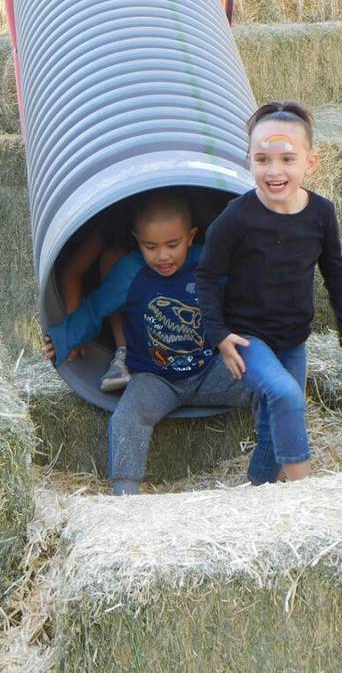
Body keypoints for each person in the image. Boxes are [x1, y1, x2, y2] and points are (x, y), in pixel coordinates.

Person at [43, 191, 255, 495]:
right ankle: (126, 499)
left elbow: (248, 282)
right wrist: (61, 339)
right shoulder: (130, 272)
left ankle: (268, 477)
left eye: (173, 244)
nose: (163, 256)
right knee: (127, 419)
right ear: (136, 240)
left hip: (209, 370)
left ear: (191, 236)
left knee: (264, 386)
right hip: (155, 380)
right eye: (150, 246)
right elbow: (95, 309)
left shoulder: (207, 262)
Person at [196, 101, 342, 486]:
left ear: (310, 162)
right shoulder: (236, 217)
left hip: (292, 339)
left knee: (274, 423)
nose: (274, 171)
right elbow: (205, 276)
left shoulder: (321, 213)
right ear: (248, 161)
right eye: (262, 159)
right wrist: (219, 336)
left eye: (287, 158)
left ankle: (260, 493)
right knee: (287, 396)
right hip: (246, 336)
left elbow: (334, 270)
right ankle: (304, 492)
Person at [57, 209, 131, 391]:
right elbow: (73, 271)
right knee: (114, 259)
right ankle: (123, 353)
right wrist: (75, 329)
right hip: (119, 305)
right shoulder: (115, 222)